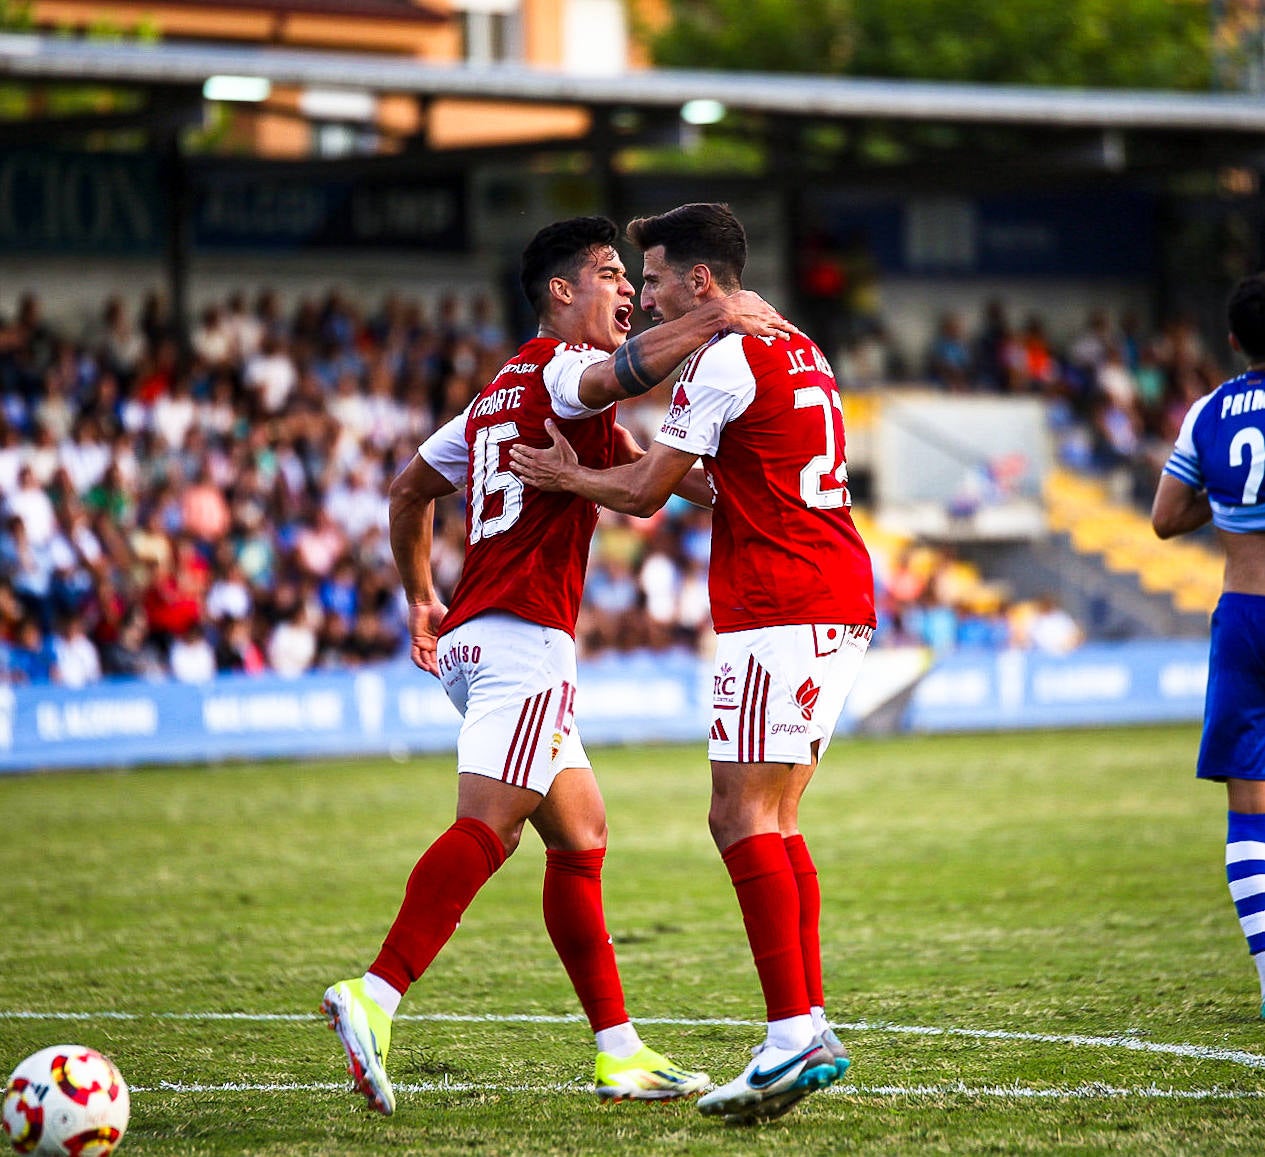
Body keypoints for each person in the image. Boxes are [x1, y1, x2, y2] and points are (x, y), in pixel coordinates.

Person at [321, 214, 794, 1116]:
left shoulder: (496, 392)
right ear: (561, 293)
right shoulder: (560, 374)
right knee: (490, 828)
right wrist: (721, 315)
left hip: (475, 633)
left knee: (579, 836)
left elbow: (409, 488)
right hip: (521, 637)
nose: (627, 290)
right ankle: (373, 994)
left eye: (630, 277)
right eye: (611, 274)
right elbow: (615, 375)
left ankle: (617, 1050)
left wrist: (420, 595)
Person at [510, 202, 876, 1122]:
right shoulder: (797, 343)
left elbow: (638, 494)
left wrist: (568, 478)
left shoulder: (719, 353)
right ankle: (808, 1024)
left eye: (660, 279)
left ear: (700, 283)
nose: (649, 297)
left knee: (737, 815)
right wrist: (658, 474)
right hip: (833, 592)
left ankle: (790, 1033)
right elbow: (735, 473)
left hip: (777, 603)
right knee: (777, 819)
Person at [1152, 271, 1265, 1019]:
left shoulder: (1206, 412)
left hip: (1244, 615)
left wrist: (1226, 504)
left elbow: (1164, 519)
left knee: (1250, 808)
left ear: (1231, 340)